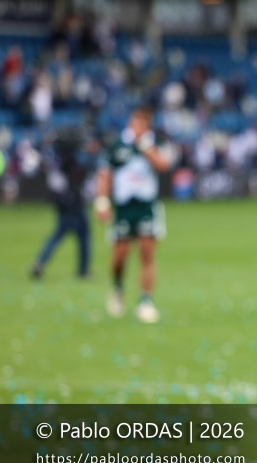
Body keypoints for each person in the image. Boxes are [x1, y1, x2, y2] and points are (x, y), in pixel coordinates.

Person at [94, 106, 171, 323]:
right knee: (120, 256)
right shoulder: (117, 146)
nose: (137, 128)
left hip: (147, 206)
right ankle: (117, 290)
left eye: (142, 124)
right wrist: (102, 201)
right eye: (134, 123)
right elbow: (104, 174)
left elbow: (163, 165)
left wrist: (146, 146)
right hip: (124, 208)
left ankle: (145, 301)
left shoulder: (154, 144)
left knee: (147, 254)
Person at [30, 127, 91, 280]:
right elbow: (80, 178)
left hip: (63, 205)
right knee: (83, 237)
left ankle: (40, 262)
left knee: (57, 236)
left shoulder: (57, 161)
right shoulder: (72, 162)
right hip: (74, 205)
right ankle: (83, 270)